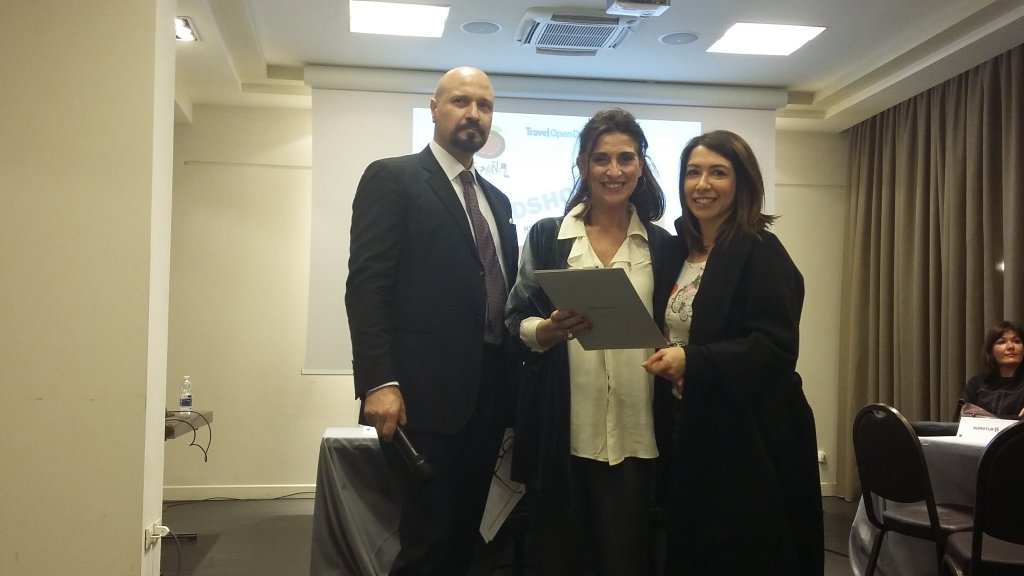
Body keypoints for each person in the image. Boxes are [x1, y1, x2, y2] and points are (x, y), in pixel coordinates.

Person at [345, 66, 519, 575]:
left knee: (466, 538)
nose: (474, 114)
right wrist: (378, 381)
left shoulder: (497, 200)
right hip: (420, 399)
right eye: (461, 101)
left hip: (489, 395)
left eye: (485, 106)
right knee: (427, 540)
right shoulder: (393, 177)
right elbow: (368, 286)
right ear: (434, 108)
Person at [643, 130, 824, 575]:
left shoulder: (760, 250)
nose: (702, 184)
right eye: (693, 173)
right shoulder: (679, 252)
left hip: (752, 440)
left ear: (742, 182)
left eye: (718, 173)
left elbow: (775, 348)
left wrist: (692, 360)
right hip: (693, 429)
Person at [505, 108, 677, 576]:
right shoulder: (548, 236)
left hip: (637, 431)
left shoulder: (662, 246)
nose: (613, 170)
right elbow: (515, 318)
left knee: (626, 560)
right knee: (557, 559)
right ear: (583, 165)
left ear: (641, 165)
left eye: (626, 158)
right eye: (601, 158)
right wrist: (545, 330)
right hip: (562, 431)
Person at [961, 320, 1024, 419]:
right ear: (991, 351)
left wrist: (982, 417)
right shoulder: (977, 383)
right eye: (1001, 342)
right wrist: (1016, 418)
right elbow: (961, 420)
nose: (1010, 347)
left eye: (1016, 341)